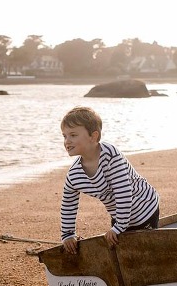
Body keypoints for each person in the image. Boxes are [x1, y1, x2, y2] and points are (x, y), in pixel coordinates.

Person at [60, 106, 160, 254]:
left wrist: (118, 227)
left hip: (144, 207)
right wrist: (68, 235)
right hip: (119, 216)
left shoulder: (110, 155)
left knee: (146, 250)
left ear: (93, 136)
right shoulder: (74, 175)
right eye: (64, 136)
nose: (67, 141)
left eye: (73, 135)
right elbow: (69, 203)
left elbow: (123, 193)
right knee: (120, 252)